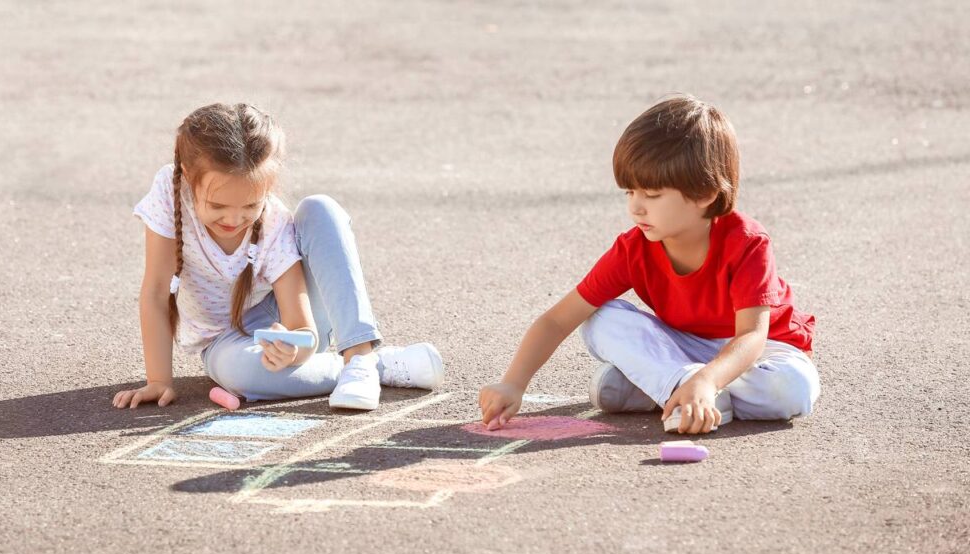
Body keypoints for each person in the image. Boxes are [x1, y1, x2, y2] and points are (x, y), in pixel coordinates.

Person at [478, 95, 819, 435]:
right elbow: (557, 320)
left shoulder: (746, 241)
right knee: (600, 318)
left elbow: (751, 336)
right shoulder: (633, 249)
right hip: (682, 346)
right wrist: (513, 383)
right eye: (630, 192)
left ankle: (671, 388)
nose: (636, 208)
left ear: (705, 194)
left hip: (762, 354)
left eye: (652, 195)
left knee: (792, 389)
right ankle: (685, 388)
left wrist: (708, 379)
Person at [113, 103, 443, 411]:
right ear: (186, 176)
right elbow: (156, 291)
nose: (233, 219)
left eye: (249, 206)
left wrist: (295, 350)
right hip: (222, 342)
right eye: (217, 206)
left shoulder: (273, 224)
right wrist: (158, 381)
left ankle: (359, 356)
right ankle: (379, 365)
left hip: (282, 318)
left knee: (320, 208)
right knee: (243, 375)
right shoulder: (169, 192)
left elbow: (303, 329)